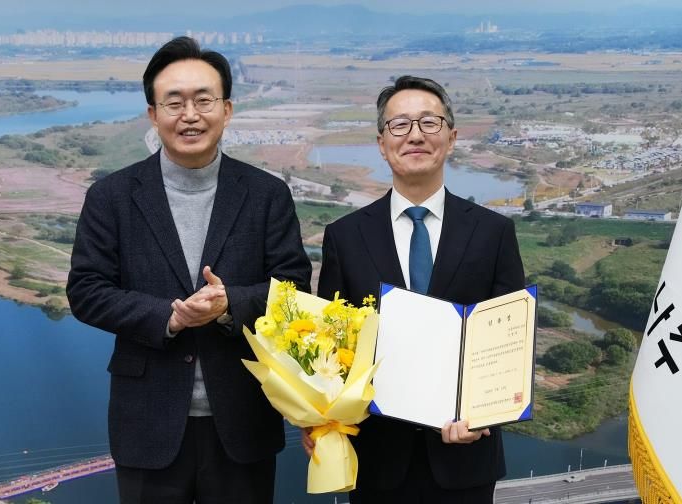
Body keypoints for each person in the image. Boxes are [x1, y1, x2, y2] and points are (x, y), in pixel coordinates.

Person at [67, 36, 311, 504]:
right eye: (174, 102)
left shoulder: (266, 194)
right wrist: (171, 316)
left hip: (243, 419)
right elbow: (87, 291)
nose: (190, 115)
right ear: (152, 114)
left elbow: (294, 288)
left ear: (227, 109)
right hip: (147, 422)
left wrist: (229, 304)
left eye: (204, 100)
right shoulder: (111, 197)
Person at [307, 75, 525, 503]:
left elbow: (508, 341)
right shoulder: (345, 236)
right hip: (377, 457)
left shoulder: (494, 232)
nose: (416, 136)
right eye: (400, 125)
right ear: (382, 143)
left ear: (452, 137)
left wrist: (483, 414)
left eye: (429, 122)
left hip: (466, 456)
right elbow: (331, 345)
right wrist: (320, 417)